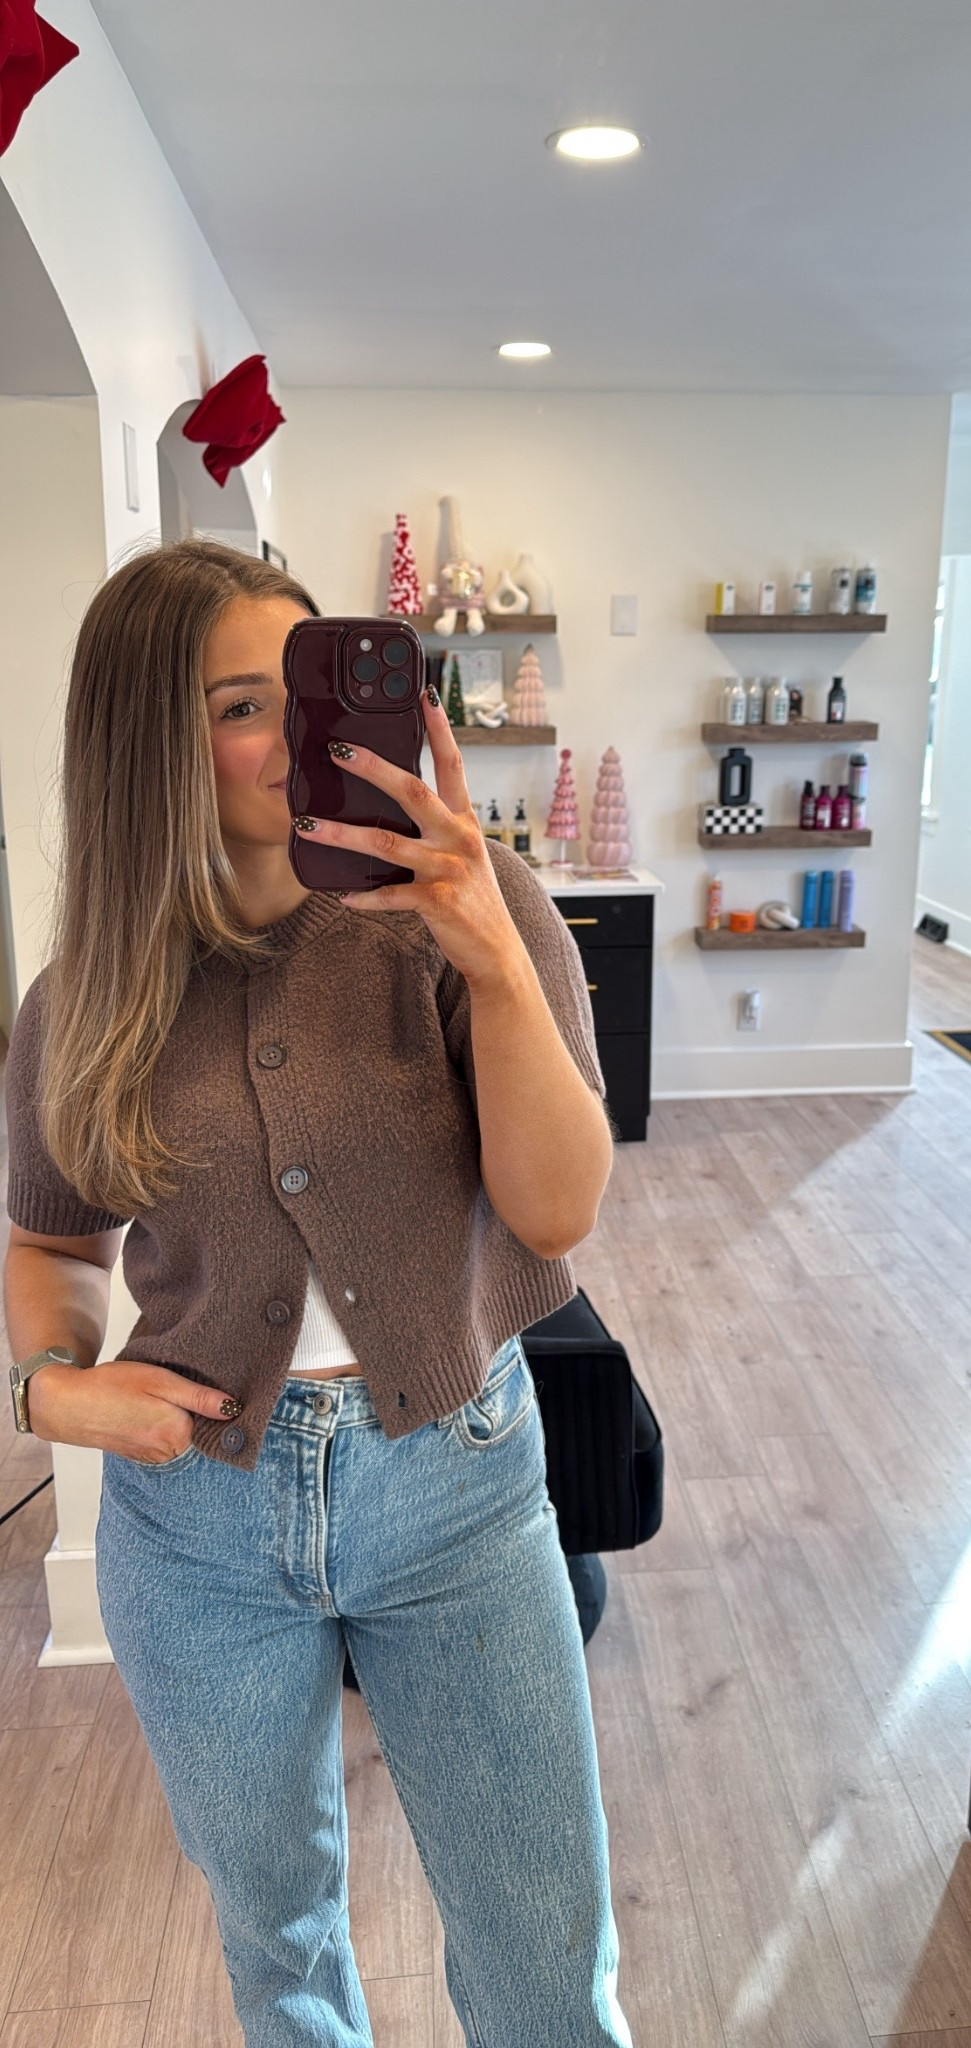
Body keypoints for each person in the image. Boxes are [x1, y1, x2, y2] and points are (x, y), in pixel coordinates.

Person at [2, 540, 633, 2048]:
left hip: (458, 1492)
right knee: (277, 1946)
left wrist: (492, 960)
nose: (300, 740)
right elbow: (53, 1244)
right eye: (241, 707)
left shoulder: (476, 911)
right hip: (196, 1524)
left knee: (548, 1966)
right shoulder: (83, 994)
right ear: (148, 747)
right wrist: (51, 1388)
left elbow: (558, 1211)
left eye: (307, 691)